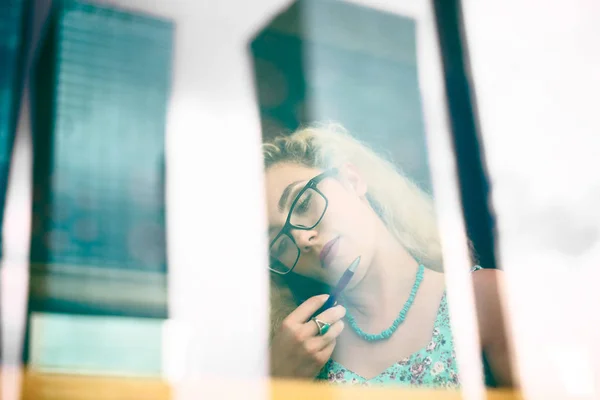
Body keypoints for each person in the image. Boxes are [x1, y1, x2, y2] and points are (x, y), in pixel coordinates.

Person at [263, 123, 514, 387]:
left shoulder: (480, 300)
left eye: (303, 203)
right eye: (280, 244)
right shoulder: (300, 356)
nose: (302, 239)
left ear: (352, 179)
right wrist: (277, 381)